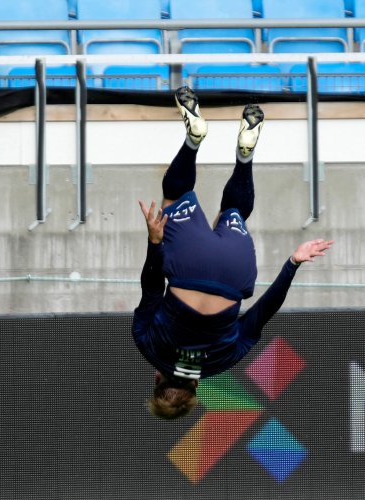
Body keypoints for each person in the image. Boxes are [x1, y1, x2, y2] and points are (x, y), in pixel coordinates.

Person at [133, 87, 333, 421]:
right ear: (156, 377)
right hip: (189, 266)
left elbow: (259, 317)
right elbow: (152, 287)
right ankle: (194, 139)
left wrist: (293, 263)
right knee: (175, 193)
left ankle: (245, 157)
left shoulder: (220, 364)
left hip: (234, 270)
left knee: (234, 211)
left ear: (195, 390)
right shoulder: (147, 346)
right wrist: (155, 242)